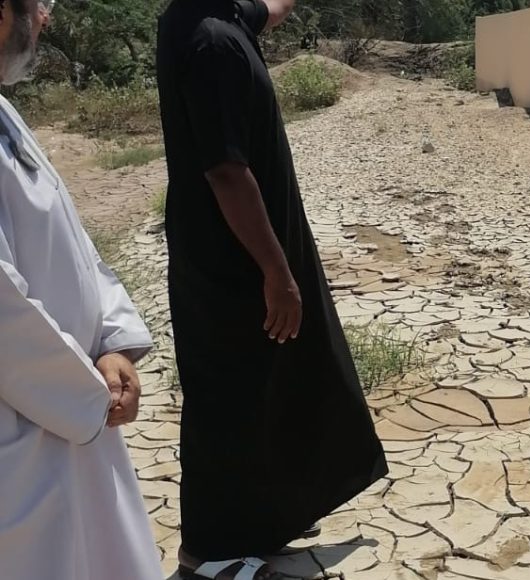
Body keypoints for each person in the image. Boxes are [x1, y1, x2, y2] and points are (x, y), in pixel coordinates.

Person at [155, 1, 389, 577]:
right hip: (231, 264)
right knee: (229, 401)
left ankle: (260, 520)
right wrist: (277, 273)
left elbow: (269, 10)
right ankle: (209, 552)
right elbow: (225, 171)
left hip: (243, 255)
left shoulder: (211, 16)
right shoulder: (210, 42)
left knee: (269, 386)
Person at [0, 0, 164, 578]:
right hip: (29, 434)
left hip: (73, 412)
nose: (46, 17)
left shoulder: (4, 111)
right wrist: (88, 393)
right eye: (40, 2)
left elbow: (69, 238)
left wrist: (112, 342)